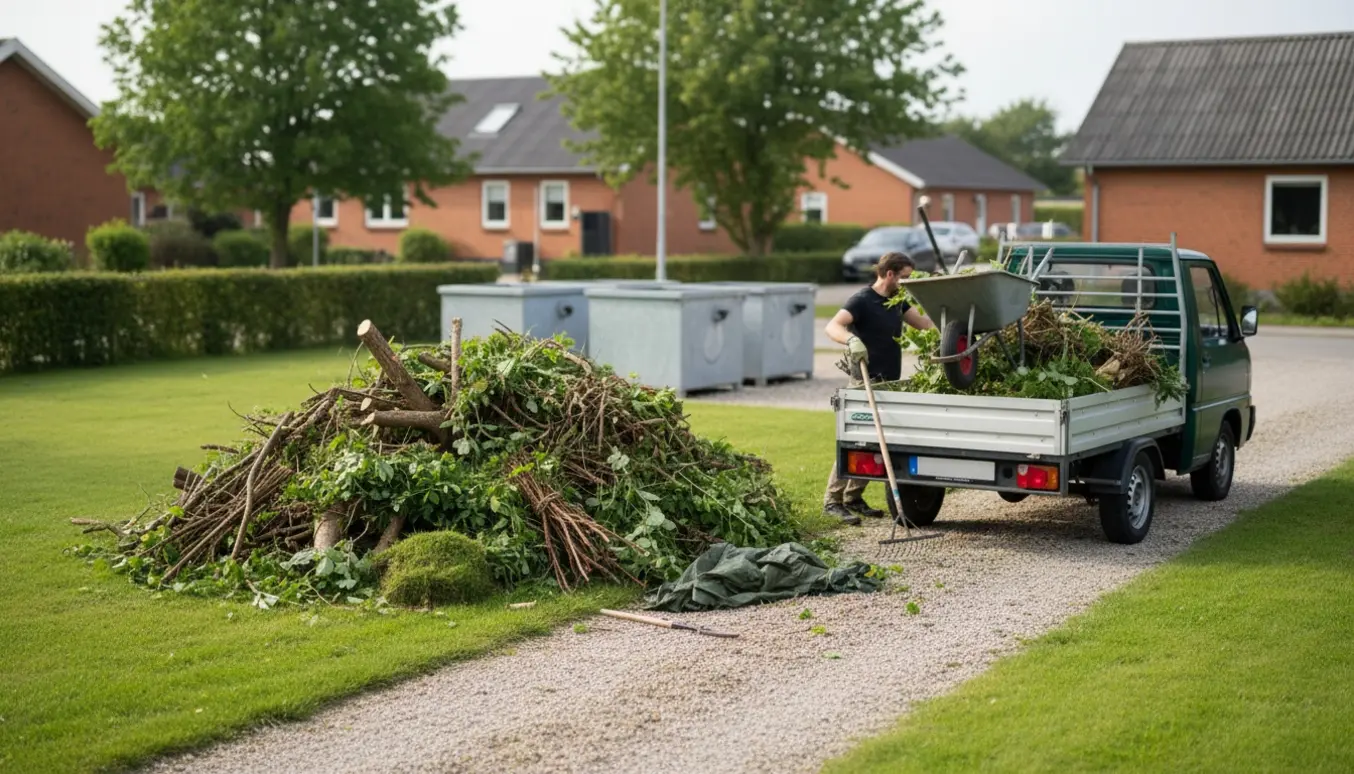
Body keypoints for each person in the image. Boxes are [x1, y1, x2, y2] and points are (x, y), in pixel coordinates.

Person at [821, 251, 934, 525]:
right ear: (890, 274)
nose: (907, 283)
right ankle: (832, 501)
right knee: (855, 440)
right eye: (904, 277)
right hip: (865, 382)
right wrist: (851, 341)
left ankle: (853, 497)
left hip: (888, 382)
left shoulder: (898, 301)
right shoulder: (862, 300)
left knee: (876, 442)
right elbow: (832, 326)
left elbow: (925, 325)